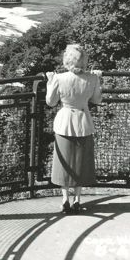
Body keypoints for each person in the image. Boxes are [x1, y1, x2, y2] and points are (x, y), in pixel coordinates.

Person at [45, 44, 102, 215]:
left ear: (67, 60)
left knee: (65, 163)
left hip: (64, 122)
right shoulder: (92, 79)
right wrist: (98, 80)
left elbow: (51, 102)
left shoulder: (59, 78)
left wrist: (50, 82)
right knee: (80, 163)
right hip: (84, 121)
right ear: (84, 61)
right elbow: (97, 100)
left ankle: (65, 200)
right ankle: (78, 199)